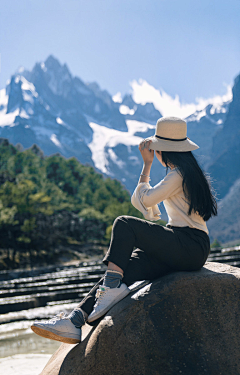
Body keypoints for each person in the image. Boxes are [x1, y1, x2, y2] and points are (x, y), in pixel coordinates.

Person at [31, 116, 217, 344]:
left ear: (163, 150)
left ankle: (109, 290)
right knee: (123, 268)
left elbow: (146, 201)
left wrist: (146, 165)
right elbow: (148, 205)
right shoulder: (188, 172)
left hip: (187, 244)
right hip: (189, 247)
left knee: (124, 223)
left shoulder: (178, 174)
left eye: (156, 149)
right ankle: (75, 320)